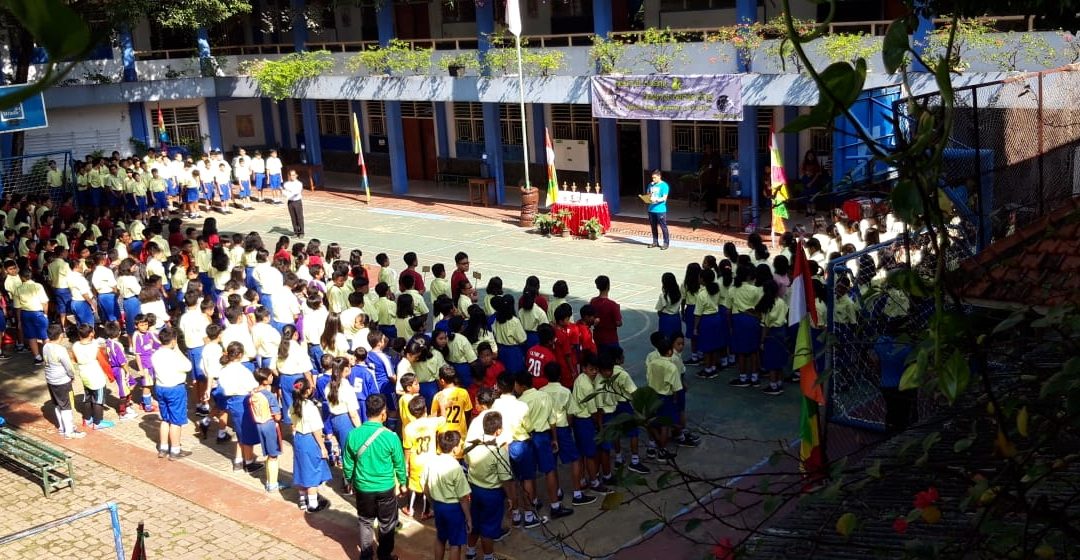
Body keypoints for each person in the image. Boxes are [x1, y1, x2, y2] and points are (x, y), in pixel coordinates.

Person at [342, 394, 407, 560]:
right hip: (385, 487)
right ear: (384, 413)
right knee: (387, 524)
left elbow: (348, 464)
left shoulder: (353, 435)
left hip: (363, 488)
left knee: (365, 521)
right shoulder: (391, 437)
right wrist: (403, 483)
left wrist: (350, 480)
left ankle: (366, 555)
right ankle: (384, 555)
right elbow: (399, 464)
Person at [464, 411, 512, 560]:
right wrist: (511, 497)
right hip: (492, 493)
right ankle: (488, 557)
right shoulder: (499, 451)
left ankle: (470, 551)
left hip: (474, 489)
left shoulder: (472, 445)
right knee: (488, 528)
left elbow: (466, 461)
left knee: (474, 522)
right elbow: (505, 479)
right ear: (498, 430)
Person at [425, 431, 472, 560]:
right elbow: (463, 497)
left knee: (440, 538)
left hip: (439, 506)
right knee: (455, 544)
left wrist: (433, 504)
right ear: (455, 448)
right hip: (453, 509)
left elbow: (426, 488)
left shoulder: (432, 462)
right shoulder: (455, 467)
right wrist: (468, 517)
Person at [290, 377, 332, 513]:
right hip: (310, 440)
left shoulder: (293, 405)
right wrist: (323, 447)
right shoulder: (310, 407)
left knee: (301, 468)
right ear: (307, 390)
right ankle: (313, 504)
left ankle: (302, 499)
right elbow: (316, 429)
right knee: (313, 471)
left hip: (298, 438)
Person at [151, 327, 193, 460]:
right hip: (175, 388)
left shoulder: (155, 354)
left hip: (160, 387)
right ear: (174, 340)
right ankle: (175, 449)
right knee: (176, 421)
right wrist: (178, 349)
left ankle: (163, 447)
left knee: (165, 419)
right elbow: (188, 366)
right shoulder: (174, 356)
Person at [42, 325, 85, 439]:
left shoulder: (45, 346)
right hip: (62, 381)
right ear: (61, 335)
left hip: (51, 380)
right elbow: (68, 366)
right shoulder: (60, 350)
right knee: (67, 406)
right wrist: (72, 376)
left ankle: (62, 427)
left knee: (57, 404)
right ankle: (69, 431)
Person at [401, 395, 440, 519]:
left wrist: (406, 463)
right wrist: (442, 405)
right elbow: (443, 418)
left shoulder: (409, 428)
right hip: (430, 459)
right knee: (427, 486)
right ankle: (426, 511)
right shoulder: (432, 422)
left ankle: (409, 509)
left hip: (416, 460)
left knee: (413, 485)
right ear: (425, 409)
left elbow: (407, 448)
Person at [248, 368, 285, 492]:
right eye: (270, 376)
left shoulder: (253, 392)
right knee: (273, 455)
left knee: (269, 454)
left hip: (259, 424)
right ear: (265, 380)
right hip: (269, 424)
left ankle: (270, 481)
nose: (272, 377)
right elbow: (278, 416)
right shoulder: (268, 395)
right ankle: (272, 483)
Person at [589, 275, 622, 355]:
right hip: (610, 339)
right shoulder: (612, 305)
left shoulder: (593, 301)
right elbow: (619, 323)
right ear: (608, 286)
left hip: (598, 337)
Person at [646, 170, 670, 250]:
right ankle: (655, 242)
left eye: (655, 178)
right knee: (653, 227)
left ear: (659, 177)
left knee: (663, 227)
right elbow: (648, 195)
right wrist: (647, 197)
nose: (653, 179)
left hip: (660, 210)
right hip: (651, 209)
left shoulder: (664, 186)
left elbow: (664, 198)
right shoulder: (651, 185)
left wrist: (656, 200)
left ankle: (666, 243)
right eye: (652, 178)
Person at [283, 169, 305, 238]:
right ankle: (296, 232)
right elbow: (285, 193)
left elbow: (296, 192)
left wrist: (289, 192)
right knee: (293, 218)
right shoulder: (286, 184)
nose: (292, 176)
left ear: (296, 175)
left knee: (299, 217)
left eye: (293, 175)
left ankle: (301, 232)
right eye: (291, 175)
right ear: (289, 176)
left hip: (297, 202)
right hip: (290, 202)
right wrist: (286, 192)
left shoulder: (299, 183)